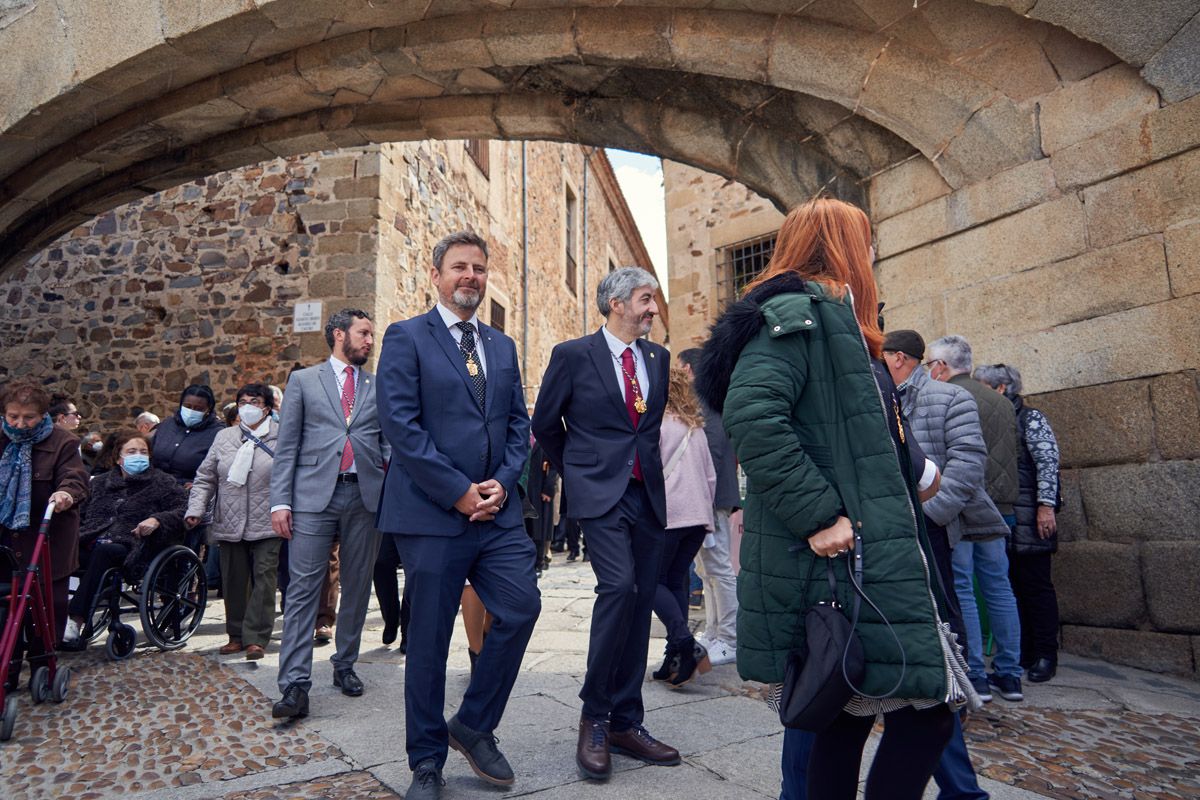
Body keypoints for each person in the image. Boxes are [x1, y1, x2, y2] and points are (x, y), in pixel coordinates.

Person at [695, 199, 969, 800]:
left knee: (843, 719)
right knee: (923, 717)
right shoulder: (799, 315)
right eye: (865, 241)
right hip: (838, 559)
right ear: (844, 245)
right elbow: (753, 418)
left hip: (868, 552)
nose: (872, 254)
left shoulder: (838, 320)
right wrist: (819, 514)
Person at [376, 230, 541, 800]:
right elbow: (400, 424)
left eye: (478, 268)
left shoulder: (501, 346)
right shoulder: (405, 337)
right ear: (437, 275)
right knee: (428, 641)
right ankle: (426, 759)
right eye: (459, 267)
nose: (470, 276)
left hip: (497, 517)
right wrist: (457, 491)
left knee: (521, 607)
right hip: (430, 515)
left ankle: (472, 723)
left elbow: (520, 424)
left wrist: (504, 481)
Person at [532, 266, 679, 782]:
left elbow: (650, 427)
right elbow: (545, 423)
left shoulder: (657, 360)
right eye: (645, 299)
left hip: (648, 496)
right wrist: (579, 470)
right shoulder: (573, 356)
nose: (652, 309)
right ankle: (594, 715)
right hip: (600, 495)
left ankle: (626, 720)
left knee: (641, 602)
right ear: (616, 303)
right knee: (617, 588)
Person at [269, 308, 389, 719]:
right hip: (311, 499)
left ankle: (345, 665)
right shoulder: (304, 381)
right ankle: (295, 685)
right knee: (302, 591)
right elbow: (287, 446)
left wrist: (385, 471)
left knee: (357, 585)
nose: (370, 341)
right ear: (339, 335)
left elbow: (387, 438)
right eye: (364, 333)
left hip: (364, 498)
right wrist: (280, 501)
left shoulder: (379, 384)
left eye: (372, 335)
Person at [927, 335, 1024, 703]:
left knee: (963, 587)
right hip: (1002, 508)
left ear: (941, 366)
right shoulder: (1000, 400)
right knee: (1000, 588)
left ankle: (976, 674)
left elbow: (964, 461)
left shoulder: (951, 397)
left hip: (966, 508)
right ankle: (1010, 675)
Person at [974, 364, 1061, 684]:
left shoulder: (1031, 418)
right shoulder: (991, 420)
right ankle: (1023, 652)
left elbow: (1048, 464)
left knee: (1036, 587)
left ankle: (1045, 654)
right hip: (1004, 517)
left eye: (982, 386)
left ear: (1000, 388)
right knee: (1009, 587)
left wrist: (1046, 507)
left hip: (1031, 517)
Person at [61, 429, 188, 649]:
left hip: (135, 545)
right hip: (93, 540)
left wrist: (157, 519)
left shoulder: (162, 482)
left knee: (105, 552)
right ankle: (48, 619)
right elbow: (80, 515)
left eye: (143, 451)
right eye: (131, 451)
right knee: (62, 553)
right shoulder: (99, 483)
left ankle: (75, 620)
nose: (138, 455)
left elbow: (182, 509)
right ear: (118, 457)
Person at [185, 384, 282, 661]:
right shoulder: (224, 437)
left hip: (268, 519)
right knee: (234, 579)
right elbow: (206, 477)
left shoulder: (281, 436)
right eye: (242, 401)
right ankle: (236, 634)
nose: (247, 406)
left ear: (267, 407)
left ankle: (257, 637)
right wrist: (195, 509)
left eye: (254, 401)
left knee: (264, 578)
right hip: (230, 519)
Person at [0, 381, 89, 678]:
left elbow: (75, 477)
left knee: (46, 609)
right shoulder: (1, 437)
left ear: (43, 415)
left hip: (47, 540)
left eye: (29, 418)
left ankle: (42, 663)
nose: (19, 424)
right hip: (6, 541)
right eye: (13, 416)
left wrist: (66, 493)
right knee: (6, 609)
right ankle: (8, 666)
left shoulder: (62, 441)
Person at [651, 366, 716, 688]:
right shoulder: (696, 428)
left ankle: (684, 642)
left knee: (647, 580)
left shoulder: (657, 426)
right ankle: (673, 656)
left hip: (670, 514)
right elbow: (710, 476)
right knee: (675, 580)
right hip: (698, 516)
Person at [676, 348, 740, 666]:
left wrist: (703, 494)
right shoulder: (709, 395)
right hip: (707, 496)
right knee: (706, 569)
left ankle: (730, 638)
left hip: (710, 496)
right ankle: (716, 631)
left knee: (719, 568)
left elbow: (712, 448)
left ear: (688, 369)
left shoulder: (706, 398)